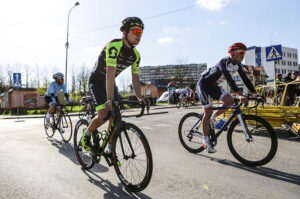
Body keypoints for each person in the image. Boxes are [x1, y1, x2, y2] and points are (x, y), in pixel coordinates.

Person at [82, 17, 145, 153]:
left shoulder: (136, 55)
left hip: (110, 83)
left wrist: (140, 98)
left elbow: (135, 78)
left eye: (141, 32)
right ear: (125, 33)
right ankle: (86, 134)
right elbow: (110, 73)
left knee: (116, 117)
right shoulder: (114, 46)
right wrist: (109, 99)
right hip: (97, 82)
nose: (139, 35)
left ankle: (110, 150)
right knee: (104, 114)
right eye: (135, 31)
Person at [196, 42, 258, 153]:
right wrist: (239, 93)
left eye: (244, 53)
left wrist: (256, 94)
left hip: (214, 86)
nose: (243, 55)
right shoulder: (224, 62)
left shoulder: (238, 65)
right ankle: (205, 141)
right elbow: (229, 79)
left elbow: (245, 79)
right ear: (233, 54)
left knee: (230, 102)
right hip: (203, 85)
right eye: (240, 52)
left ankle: (213, 118)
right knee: (208, 111)